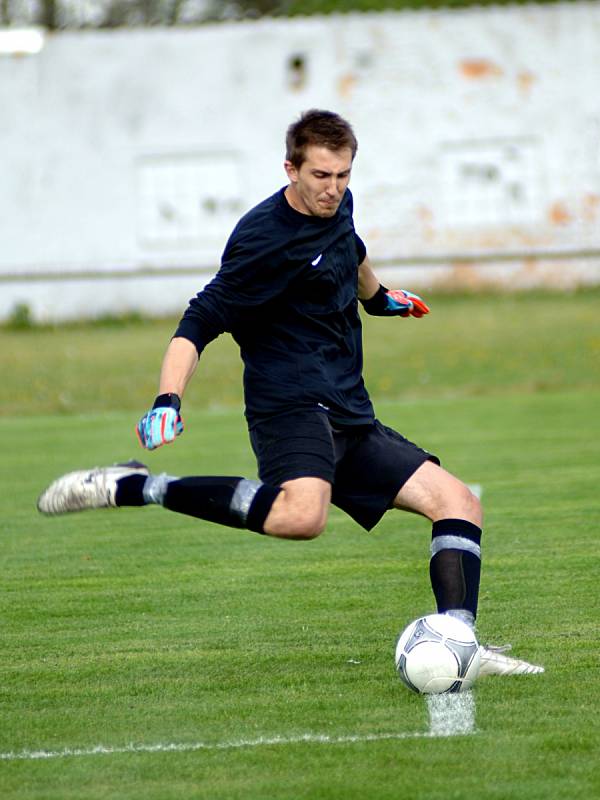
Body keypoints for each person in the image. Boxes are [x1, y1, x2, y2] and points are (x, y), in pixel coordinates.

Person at [38, 109, 543, 677]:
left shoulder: (338, 205)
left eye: (344, 175)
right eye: (321, 176)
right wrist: (166, 399)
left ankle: (461, 644)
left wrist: (379, 299)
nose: (333, 189)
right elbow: (199, 320)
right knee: (302, 517)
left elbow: (349, 248)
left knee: (459, 503)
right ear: (291, 168)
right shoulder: (262, 240)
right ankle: (138, 485)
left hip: (349, 409)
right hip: (291, 408)